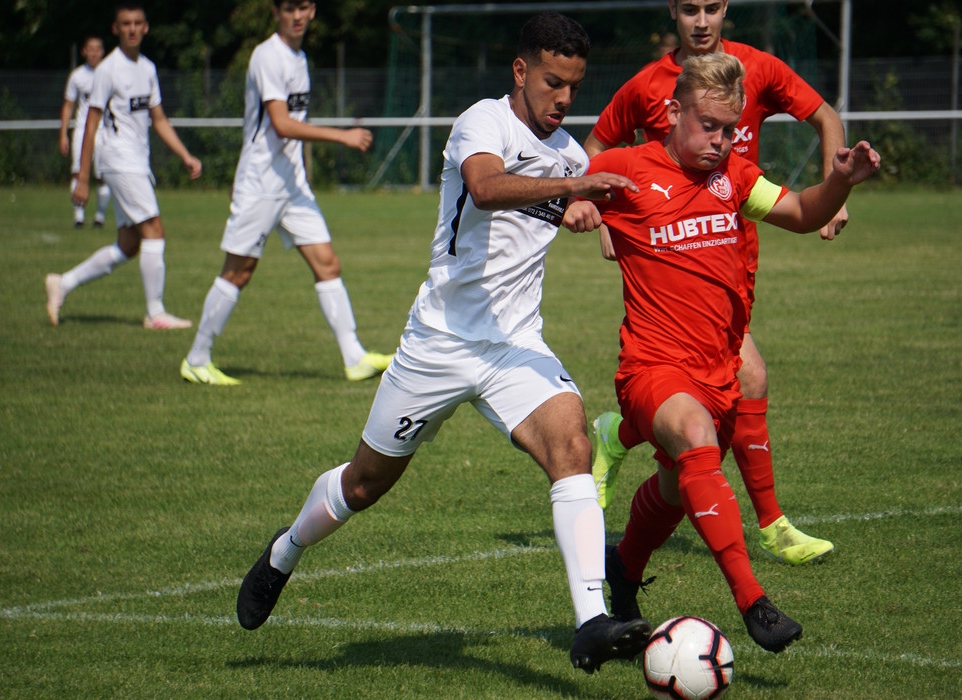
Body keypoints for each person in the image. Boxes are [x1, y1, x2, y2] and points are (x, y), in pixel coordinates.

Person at [235, 12, 652, 674]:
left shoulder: (572, 155)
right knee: (364, 485)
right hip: (439, 342)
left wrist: (594, 215)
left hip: (514, 345)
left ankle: (591, 622)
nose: (564, 98)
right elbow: (485, 189)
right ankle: (285, 551)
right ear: (521, 71)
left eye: (574, 86)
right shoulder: (482, 122)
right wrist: (572, 189)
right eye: (552, 82)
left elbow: (591, 208)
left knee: (571, 445)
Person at [577, 52, 879, 653]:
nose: (720, 140)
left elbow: (802, 212)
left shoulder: (735, 177)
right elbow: (561, 179)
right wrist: (577, 202)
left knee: (674, 489)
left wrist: (841, 181)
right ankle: (753, 601)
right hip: (651, 368)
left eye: (729, 129)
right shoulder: (625, 168)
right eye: (708, 125)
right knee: (694, 438)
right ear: (673, 113)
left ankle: (624, 571)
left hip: (716, 372)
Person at [585, 0, 843, 566]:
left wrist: (835, 187)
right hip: (675, 266)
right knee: (746, 377)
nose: (701, 21)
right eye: (689, 9)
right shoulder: (647, 84)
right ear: (672, 12)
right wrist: (603, 214)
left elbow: (826, 117)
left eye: (712, 8)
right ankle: (772, 526)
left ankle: (619, 437)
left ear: (726, 9)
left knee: (711, 405)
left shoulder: (758, 69)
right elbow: (595, 150)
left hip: (735, 257)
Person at [180, 0, 391, 385]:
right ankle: (197, 358)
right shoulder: (267, 56)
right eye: (290, 8)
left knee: (327, 263)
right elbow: (280, 123)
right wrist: (341, 136)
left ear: (313, 11)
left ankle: (355, 358)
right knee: (238, 272)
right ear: (276, 12)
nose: (298, 16)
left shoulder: (300, 58)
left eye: (304, 7)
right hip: (261, 183)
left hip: (292, 184)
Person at [46, 3, 202, 329]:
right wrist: (83, 177)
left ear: (146, 27)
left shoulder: (148, 69)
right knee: (154, 229)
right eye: (125, 24)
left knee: (129, 245)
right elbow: (90, 124)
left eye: (137, 23)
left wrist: (185, 155)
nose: (132, 29)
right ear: (115, 29)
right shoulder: (108, 69)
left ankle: (63, 283)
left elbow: (159, 119)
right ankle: (155, 313)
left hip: (137, 161)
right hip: (118, 159)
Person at [59, 35, 112, 229]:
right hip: (82, 130)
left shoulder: (110, 74)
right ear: (84, 51)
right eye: (91, 49)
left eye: (98, 49)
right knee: (78, 172)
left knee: (102, 175)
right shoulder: (77, 76)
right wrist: (63, 133)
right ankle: (79, 217)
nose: (94, 53)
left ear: (103, 51)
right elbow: (68, 105)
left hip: (104, 131)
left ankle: (99, 218)